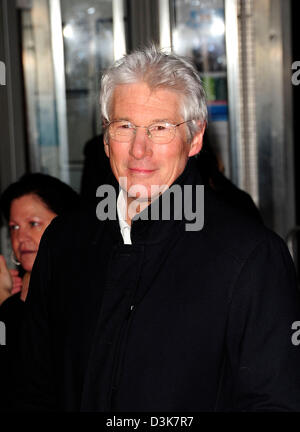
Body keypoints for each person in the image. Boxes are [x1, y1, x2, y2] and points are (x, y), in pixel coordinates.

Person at [17, 46, 300, 411]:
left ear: (194, 138)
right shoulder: (64, 242)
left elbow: (274, 401)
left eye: (160, 129)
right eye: (124, 127)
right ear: (106, 138)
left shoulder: (250, 257)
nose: (139, 149)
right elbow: (29, 386)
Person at [0, 173, 81, 411]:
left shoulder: (81, 293)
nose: (20, 237)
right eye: (14, 227)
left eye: (33, 224)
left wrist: (6, 304)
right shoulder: (13, 297)